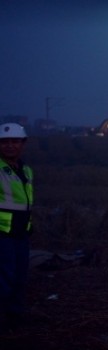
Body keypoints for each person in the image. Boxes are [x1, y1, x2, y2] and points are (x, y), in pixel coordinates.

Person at [0, 123, 33, 331]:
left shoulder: (26, 170)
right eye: (4, 142)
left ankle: (15, 314)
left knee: (20, 274)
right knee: (4, 277)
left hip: (21, 232)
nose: (10, 146)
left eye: (15, 142)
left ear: (23, 144)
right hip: (2, 234)